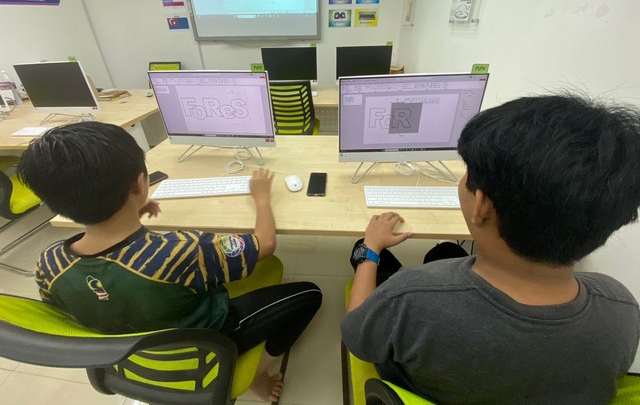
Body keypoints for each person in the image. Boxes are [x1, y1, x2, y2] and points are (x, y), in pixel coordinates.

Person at [341, 94, 640, 404]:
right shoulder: (622, 308)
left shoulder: (409, 298)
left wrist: (371, 247)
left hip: (419, 385)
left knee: (374, 256)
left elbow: (355, 336)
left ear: (482, 204)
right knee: (445, 251)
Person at [17, 121, 322, 403]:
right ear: (139, 183)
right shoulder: (181, 251)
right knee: (310, 294)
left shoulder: (49, 264)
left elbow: (88, 296)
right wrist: (262, 198)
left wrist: (132, 209)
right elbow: (265, 244)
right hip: (210, 339)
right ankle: (256, 374)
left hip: (127, 358)